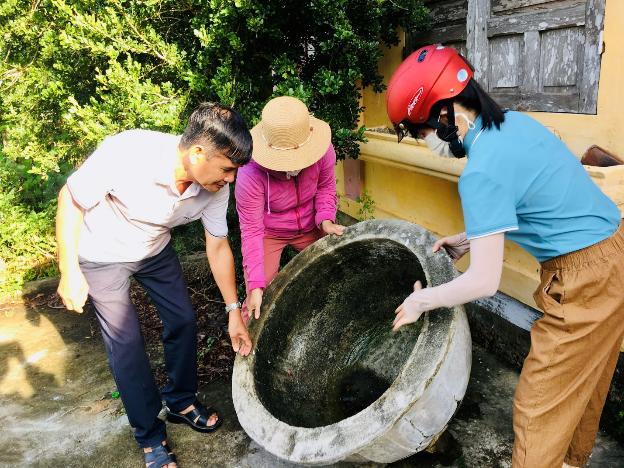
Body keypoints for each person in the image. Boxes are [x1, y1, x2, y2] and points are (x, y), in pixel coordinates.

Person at [386, 44, 624, 468]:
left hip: (586, 278)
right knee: (585, 378)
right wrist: (471, 237)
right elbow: (537, 199)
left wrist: (422, 300)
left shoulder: (480, 172)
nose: (426, 143)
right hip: (615, 250)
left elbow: (483, 282)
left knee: (539, 406)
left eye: (421, 132)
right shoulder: (517, 125)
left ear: (446, 114)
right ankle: (571, 461)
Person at [56, 102, 253, 468]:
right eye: (227, 169)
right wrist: (69, 269)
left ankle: (179, 400)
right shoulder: (129, 151)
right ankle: (149, 433)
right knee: (126, 345)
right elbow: (71, 199)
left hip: (155, 251)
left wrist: (233, 312)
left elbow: (218, 244)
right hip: (102, 254)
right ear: (197, 153)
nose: (230, 179)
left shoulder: (214, 187)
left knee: (183, 320)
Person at [235, 96, 345, 321]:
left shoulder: (323, 151)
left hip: (311, 223)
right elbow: (251, 231)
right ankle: (248, 341)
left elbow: (325, 188)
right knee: (258, 295)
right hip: (269, 232)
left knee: (334, 271)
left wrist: (326, 220)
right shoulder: (250, 174)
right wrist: (255, 284)